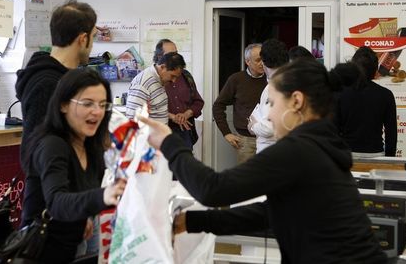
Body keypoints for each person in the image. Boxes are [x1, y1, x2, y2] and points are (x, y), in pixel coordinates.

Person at [140, 59, 387, 264]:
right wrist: (193, 221)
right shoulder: (321, 145)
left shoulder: (300, 150)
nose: (268, 114)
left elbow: (213, 189)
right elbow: (272, 213)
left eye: (272, 103)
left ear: (297, 101)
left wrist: (169, 143)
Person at [21, 68, 126, 263]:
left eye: (103, 105)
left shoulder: (91, 146)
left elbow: (80, 192)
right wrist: (103, 196)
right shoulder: (52, 145)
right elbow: (56, 202)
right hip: (39, 254)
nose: (97, 111)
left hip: (72, 249)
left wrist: (84, 216)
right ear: (63, 105)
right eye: (87, 104)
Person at [16, 0, 98, 171]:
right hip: (51, 194)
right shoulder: (47, 84)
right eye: (93, 37)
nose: (93, 45)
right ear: (83, 39)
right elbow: (37, 152)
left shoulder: (69, 80)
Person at [334, 46, 397, 157]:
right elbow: (391, 135)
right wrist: (389, 160)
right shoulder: (386, 95)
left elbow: (333, 129)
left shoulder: (340, 92)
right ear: (375, 70)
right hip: (376, 154)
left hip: (345, 155)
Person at [213, 43, 267, 163]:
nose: (262, 63)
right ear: (247, 61)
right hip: (246, 140)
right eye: (258, 60)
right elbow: (218, 105)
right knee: (246, 178)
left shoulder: (272, 79)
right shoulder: (236, 79)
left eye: (264, 59)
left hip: (269, 138)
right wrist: (226, 133)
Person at [153, 39, 204, 148]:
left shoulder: (186, 76)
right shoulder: (152, 78)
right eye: (171, 54)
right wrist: (172, 117)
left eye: (176, 53)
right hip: (162, 131)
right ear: (159, 57)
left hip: (184, 131)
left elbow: (198, 102)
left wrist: (186, 114)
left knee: (185, 163)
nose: (175, 57)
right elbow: (149, 109)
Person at [248, 39, 288, 152]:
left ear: (263, 62)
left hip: (270, 151)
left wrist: (253, 126)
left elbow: (268, 128)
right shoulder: (291, 81)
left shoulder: (274, 87)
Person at [125, 51, 186, 124]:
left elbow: (156, 109)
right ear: (162, 67)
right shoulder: (142, 85)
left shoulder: (160, 80)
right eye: (172, 76)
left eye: (176, 77)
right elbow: (133, 119)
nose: (174, 81)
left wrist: (172, 116)